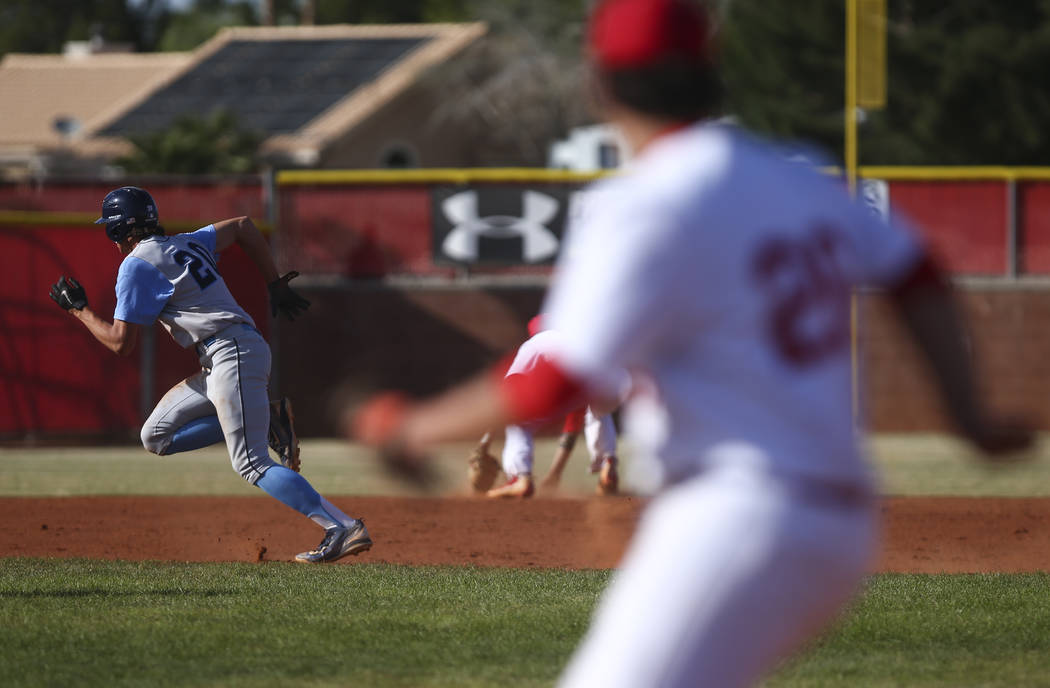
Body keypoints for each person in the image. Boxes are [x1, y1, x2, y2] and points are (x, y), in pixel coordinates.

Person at [352, 0, 1031, 685]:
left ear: (601, 85)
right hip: (842, 521)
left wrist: (413, 427)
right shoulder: (799, 175)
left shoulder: (645, 200)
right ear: (713, 68)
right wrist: (966, 416)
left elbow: (559, 377)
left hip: (739, 511)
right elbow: (917, 274)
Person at [49, 186, 371, 564]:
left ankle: (342, 527)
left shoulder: (135, 265)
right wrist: (274, 281)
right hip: (226, 356)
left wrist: (80, 311)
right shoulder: (186, 241)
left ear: (119, 231)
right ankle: (266, 421)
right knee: (156, 436)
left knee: (251, 463)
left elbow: (122, 344)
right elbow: (243, 226)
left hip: (230, 353)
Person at [477, 315, 620, 498]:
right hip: (617, 375)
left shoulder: (534, 347)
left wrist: (485, 443)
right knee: (599, 412)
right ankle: (608, 461)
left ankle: (519, 476)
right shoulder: (580, 338)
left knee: (518, 420)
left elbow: (505, 403)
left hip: (588, 369)